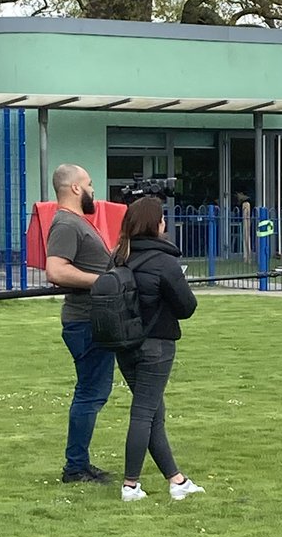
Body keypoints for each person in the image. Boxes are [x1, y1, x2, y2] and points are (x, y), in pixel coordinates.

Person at [111, 196, 204, 503]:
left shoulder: (119, 257)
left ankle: (177, 480)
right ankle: (130, 484)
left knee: (153, 412)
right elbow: (187, 306)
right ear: (156, 225)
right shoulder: (164, 262)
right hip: (156, 346)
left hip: (124, 346)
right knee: (143, 412)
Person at [45, 164, 115, 484]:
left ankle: (78, 464)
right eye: (89, 184)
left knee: (93, 391)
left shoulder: (76, 222)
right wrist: (102, 281)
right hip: (85, 321)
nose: (92, 190)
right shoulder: (65, 223)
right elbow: (56, 271)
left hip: (94, 319)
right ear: (75, 188)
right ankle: (75, 467)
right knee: (90, 392)